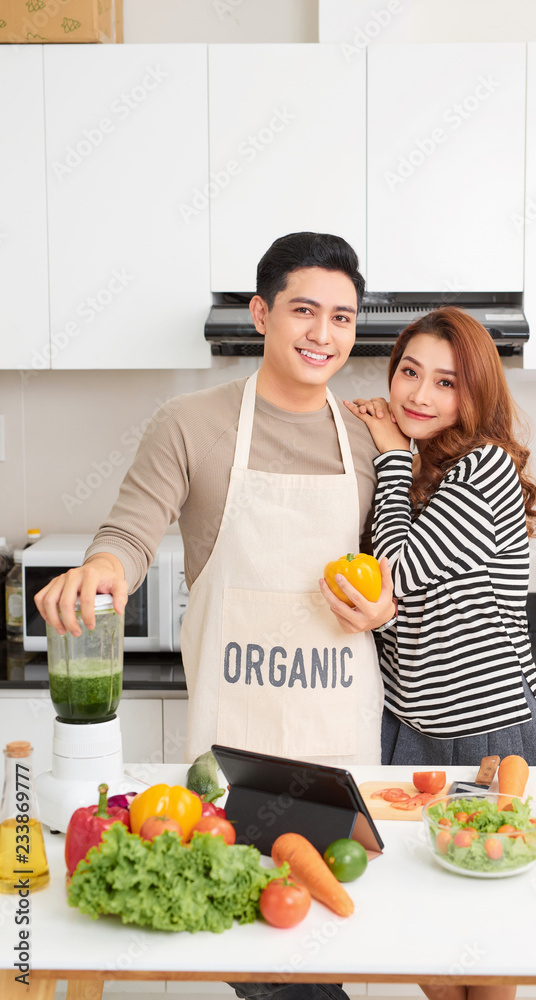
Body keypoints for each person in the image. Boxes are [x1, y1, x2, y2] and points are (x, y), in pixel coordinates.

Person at [35, 231, 397, 772]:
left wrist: (384, 611)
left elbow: (396, 571)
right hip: (230, 741)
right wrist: (103, 567)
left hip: (344, 734)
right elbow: (130, 534)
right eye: (304, 310)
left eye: (342, 318)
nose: (323, 334)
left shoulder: (372, 438)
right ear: (260, 313)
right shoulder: (190, 422)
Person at [345, 305, 536, 771]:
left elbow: (394, 574)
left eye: (447, 383)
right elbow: (406, 610)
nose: (419, 395)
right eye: (409, 372)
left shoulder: (485, 466)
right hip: (407, 717)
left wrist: (394, 456)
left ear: (475, 392)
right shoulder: (423, 471)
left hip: (484, 724)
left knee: (487, 846)